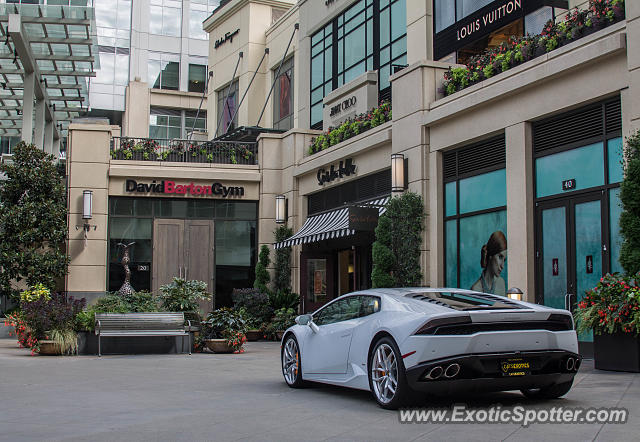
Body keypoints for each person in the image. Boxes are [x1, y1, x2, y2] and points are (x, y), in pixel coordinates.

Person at [471, 231, 507, 296]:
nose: (502, 266)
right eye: (500, 257)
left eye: (504, 260)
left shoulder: (501, 284)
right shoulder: (476, 289)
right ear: (491, 256)